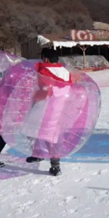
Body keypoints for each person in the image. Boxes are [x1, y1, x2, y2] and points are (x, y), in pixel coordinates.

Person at [25, 48, 73, 176]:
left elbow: (44, 90)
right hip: (59, 108)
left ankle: (50, 161)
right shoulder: (65, 71)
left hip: (44, 107)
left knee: (34, 130)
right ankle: (45, 158)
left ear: (45, 58)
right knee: (51, 134)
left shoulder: (44, 71)